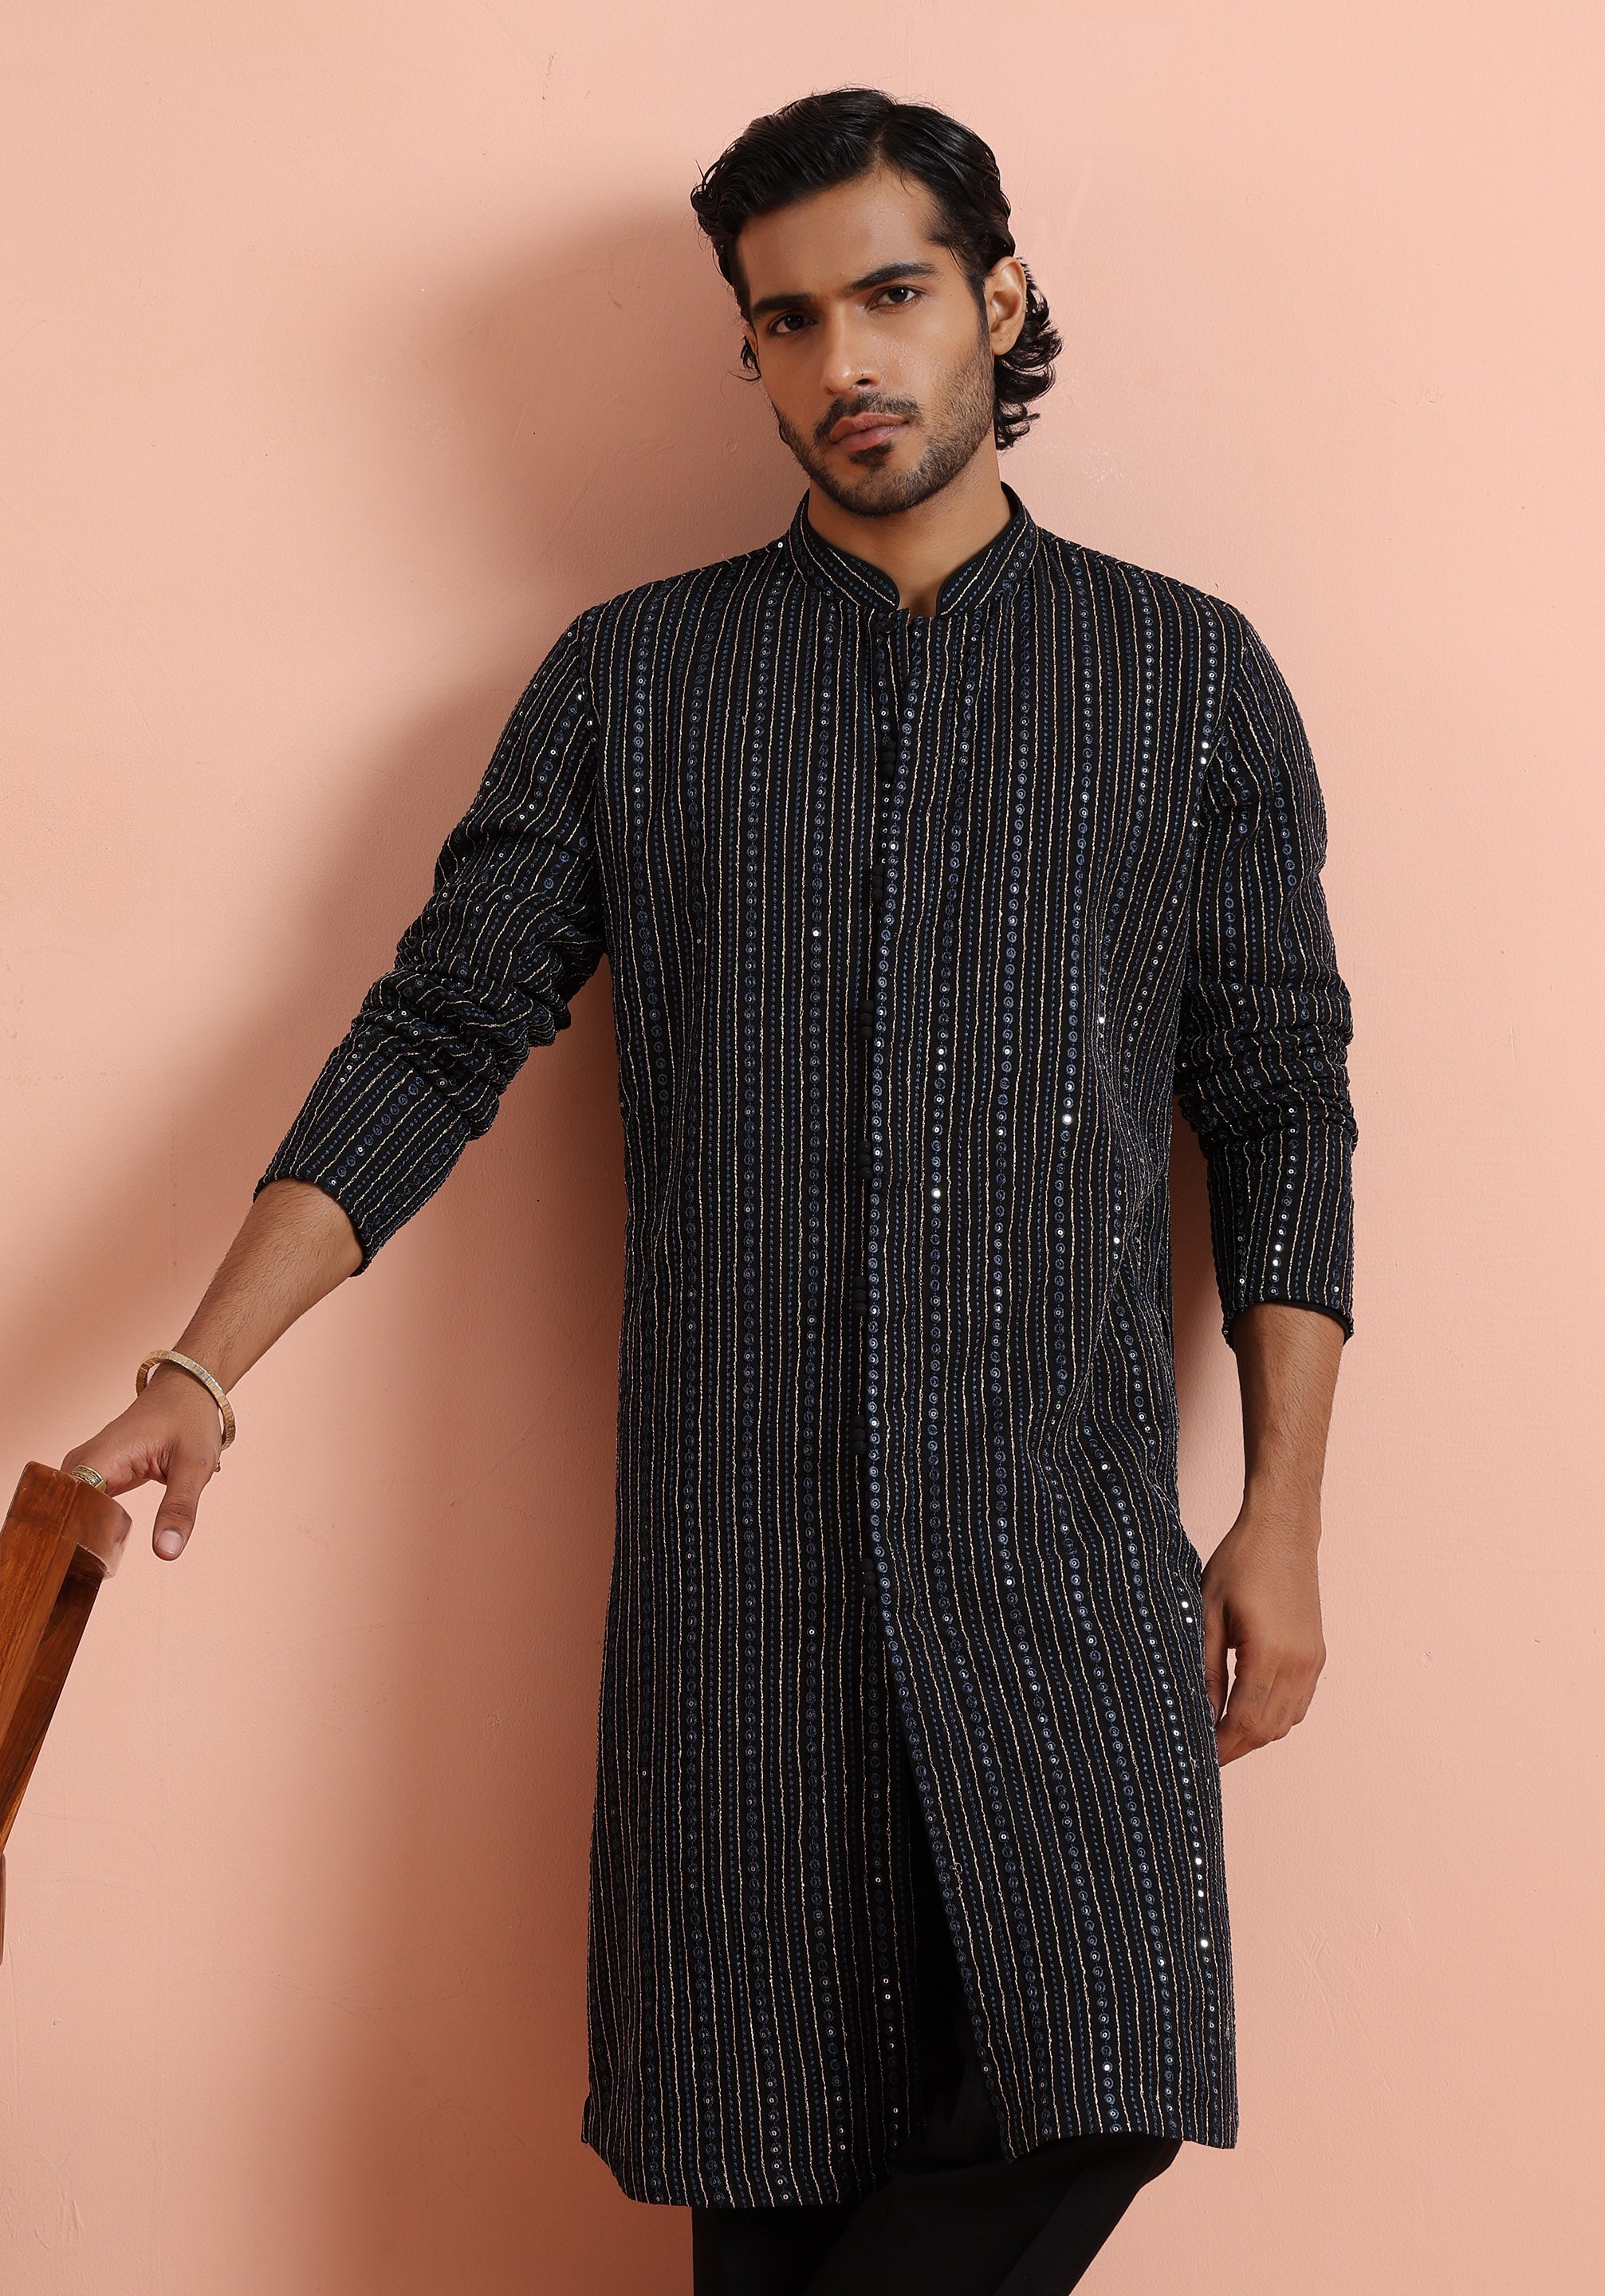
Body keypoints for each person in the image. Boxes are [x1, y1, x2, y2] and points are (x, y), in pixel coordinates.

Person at [65, 87, 1357, 2295]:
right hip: (744, 1609)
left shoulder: (1186, 679)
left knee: (1104, 2077)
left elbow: (1280, 1101)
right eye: (787, 320)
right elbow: (439, 1030)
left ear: (998, 302)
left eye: (892, 295)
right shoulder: (634, 684)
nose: (845, 360)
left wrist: (1287, 1516)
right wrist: (200, 1366)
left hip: (1064, 1570)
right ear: (748, 348)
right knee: (765, 2181)